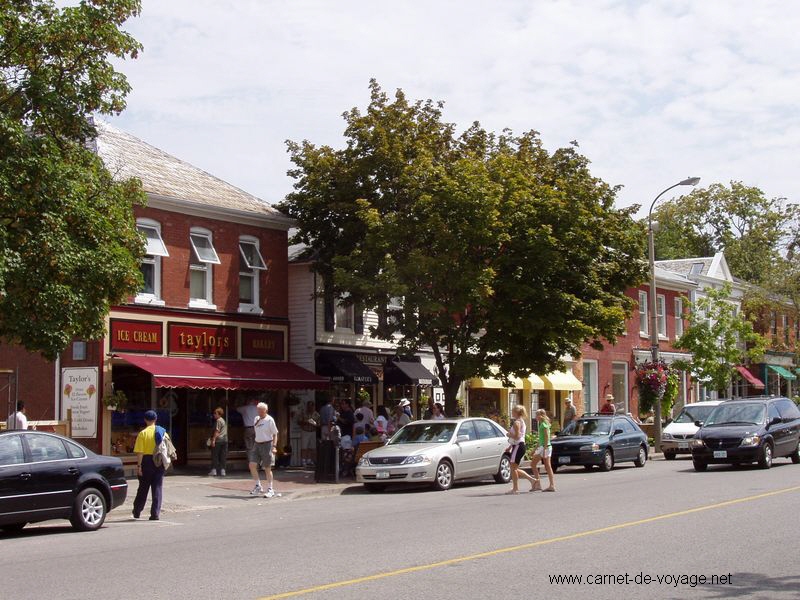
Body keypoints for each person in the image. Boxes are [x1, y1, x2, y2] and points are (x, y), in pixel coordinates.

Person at [132, 410, 166, 520]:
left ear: (145, 420)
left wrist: (139, 466)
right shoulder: (163, 432)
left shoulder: (143, 433)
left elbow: (140, 452)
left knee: (143, 488)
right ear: (155, 419)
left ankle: (137, 510)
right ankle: (155, 513)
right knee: (157, 487)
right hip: (159, 461)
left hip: (146, 461)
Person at [249, 402, 279, 498]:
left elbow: (275, 434)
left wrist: (274, 446)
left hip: (267, 444)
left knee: (267, 467)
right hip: (257, 444)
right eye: (259, 410)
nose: (260, 412)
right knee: (252, 465)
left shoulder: (270, 420)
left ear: (266, 410)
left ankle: (270, 489)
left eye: (262, 411)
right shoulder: (256, 419)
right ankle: (258, 486)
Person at [505, 405, 537, 494]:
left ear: (516, 412)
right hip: (517, 445)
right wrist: (510, 446)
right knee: (514, 467)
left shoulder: (517, 423)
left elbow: (517, 436)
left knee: (513, 468)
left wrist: (509, 434)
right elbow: (519, 437)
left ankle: (515, 489)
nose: (512, 413)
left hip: (519, 446)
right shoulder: (521, 421)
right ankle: (532, 480)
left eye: (512, 411)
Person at [530, 408, 556, 492]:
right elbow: (540, 439)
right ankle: (546, 485)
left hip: (545, 447)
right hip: (544, 447)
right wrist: (534, 449)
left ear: (541, 416)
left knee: (535, 464)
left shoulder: (543, 425)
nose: (535, 417)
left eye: (536, 415)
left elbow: (546, 437)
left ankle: (541, 485)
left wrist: (544, 449)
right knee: (546, 466)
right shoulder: (543, 424)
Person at [237, 398, 259, 466]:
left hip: (249, 429)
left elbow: (237, 409)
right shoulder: (257, 408)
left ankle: (252, 465)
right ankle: (257, 464)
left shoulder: (245, 408)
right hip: (257, 428)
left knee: (249, 447)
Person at [298, 400, 320, 467]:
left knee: (312, 447)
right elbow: (299, 422)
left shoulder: (317, 414)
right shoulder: (303, 413)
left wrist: (315, 424)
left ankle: (309, 460)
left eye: (312, 406)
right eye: (309, 406)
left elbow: (319, 425)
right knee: (304, 447)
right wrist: (306, 422)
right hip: (305, 431)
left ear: (314, 407)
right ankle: (303, 461)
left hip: (313, 431)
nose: (310, 408)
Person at [209, 407, 228, 477]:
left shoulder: (218, 421)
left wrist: (213, 440)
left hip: (218, 440)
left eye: (215, 413)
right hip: (224, 440)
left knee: (215, 455)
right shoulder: (223, 420)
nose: (214, 415)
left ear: (219, 414)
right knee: (223, 455)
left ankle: (214, 470)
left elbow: (217, 431)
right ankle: (223, 470)